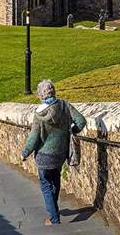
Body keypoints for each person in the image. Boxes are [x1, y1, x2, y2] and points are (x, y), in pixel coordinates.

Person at [21, 79, 86, 225]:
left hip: (44, 156)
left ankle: (54, 219)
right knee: (55, 179)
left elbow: (34, 137)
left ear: (40, 95)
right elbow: (81, 121)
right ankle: (54, 210)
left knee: (45, 185)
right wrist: (71, 131)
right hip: (60, 154)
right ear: (54, 91)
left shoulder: (38, 115)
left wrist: (25, 152)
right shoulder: (64, 105)